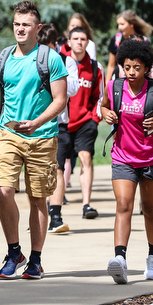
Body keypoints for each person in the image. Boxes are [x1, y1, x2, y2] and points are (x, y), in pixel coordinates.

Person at [0, 1, 68, 280]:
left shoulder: (50, 58)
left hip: (42, 137)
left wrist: (37, 122)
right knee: (4, 189)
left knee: (37, 199)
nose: (20, 28)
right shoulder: (2, 59)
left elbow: (60, 100)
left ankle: (36, 259)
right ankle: (14, 251)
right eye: (17, 23)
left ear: (37, 28)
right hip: (8, 133)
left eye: (26, 24)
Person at [99, 39, 153, 284]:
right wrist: (105, 113)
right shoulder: (114, 87)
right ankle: (120, 259)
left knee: (150, 209)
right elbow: (103, 107)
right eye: (127, 67)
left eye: (137, 68)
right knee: (124, 204)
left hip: (151, 158)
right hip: (123, 157)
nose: (131, 72)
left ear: (146, 68)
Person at [51, 26, 105, 232]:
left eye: (83, 39)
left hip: (84, 122)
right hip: (62, 123)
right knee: (59, 165)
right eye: (76, 38)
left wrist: (94, 117)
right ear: (69, 41)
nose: (80, 42)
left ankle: (86, 204)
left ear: (87, 42)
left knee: (85, 158)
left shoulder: (94, 66)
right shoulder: (60, 61)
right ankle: (55, 202)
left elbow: (100, 95)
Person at [37, 24, 78, 233]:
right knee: (38, 171)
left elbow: (72, 88)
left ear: (56, 45)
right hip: (34, 125)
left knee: (58, 168)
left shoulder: (66, 61)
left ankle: (56, 215)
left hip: (59, 124)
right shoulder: (30, 60)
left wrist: (55, 70)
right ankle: (39, 215)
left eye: (48, 48)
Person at [106, 10, 153, 82]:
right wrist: (107, 84)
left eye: (122, 24)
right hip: (119, 80)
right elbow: (111, 65)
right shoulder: (117, 40)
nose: (119, 27)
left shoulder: (143, 41)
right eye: (118, 24)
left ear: (131, 25)